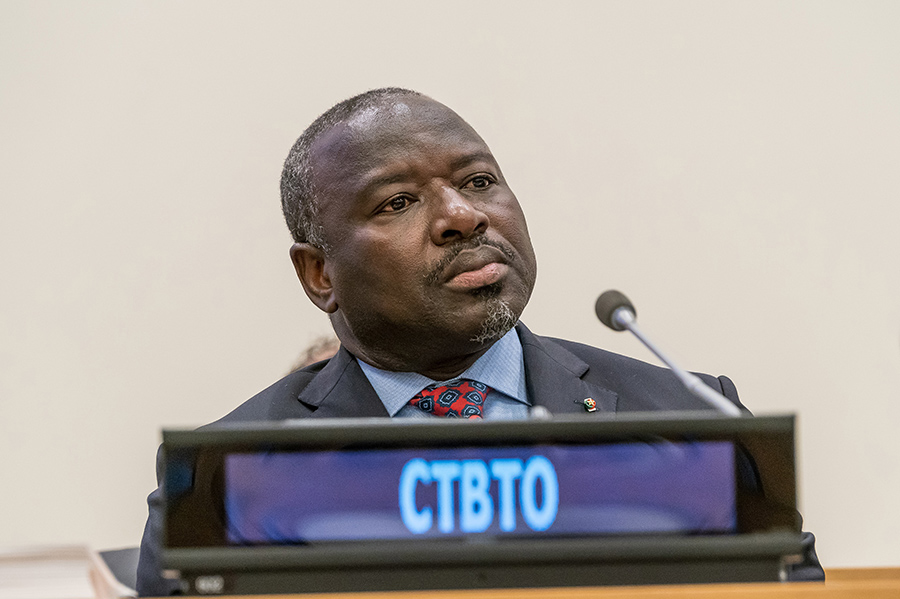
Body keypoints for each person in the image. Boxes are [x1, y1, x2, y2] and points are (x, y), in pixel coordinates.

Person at [136, 88, 823, 595]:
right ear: (320, 273)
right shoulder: (231, 475)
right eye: (398, 201)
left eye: (479, 181)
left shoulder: (694, 425)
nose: (463, 216)